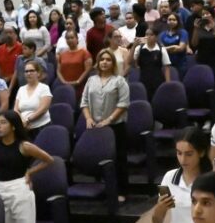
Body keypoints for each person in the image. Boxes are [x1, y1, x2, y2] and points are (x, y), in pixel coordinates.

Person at [80, 49, 131, 197]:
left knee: (118, 160)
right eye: (102, 59)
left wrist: (109, 120)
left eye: (108, 60)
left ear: (113, 63)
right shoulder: (91, 80)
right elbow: (84, 103)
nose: (104, 62)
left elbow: (123, 104)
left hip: (115, 126)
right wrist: (88, 118)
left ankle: (122, 191)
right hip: (96, 127)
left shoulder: (119, 80)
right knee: (101, 160)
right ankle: (106, 190)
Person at [153, 127, 210, 223]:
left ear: (201, 153)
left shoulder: (212, 181)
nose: (183, 160)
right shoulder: (169, 177)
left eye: (189, 154)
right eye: (179, 153)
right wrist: (160, 208)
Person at [14, 61, 52, 139]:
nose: (28, 73)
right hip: (23, 127)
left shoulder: (44, 88)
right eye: (26, 71)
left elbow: (43, 109)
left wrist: (28, 120)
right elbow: (16, 109)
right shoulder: (21, 89)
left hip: (41, 128)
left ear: (38, 73)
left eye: (31, 71)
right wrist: (21, 121)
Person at [133, 28, 172, 100]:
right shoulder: (139, 48)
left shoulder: (161, 50)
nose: (148, 36)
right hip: (144, 79)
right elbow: (134, 62)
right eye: (146, 34)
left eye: (151, 35)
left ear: (156, 37)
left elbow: (167, 67)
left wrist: (167, 83)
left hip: (158, 80)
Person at [57, 30, 92, 103]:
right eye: (68, 38)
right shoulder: (63, 54)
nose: (70, 40)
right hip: (66, 87)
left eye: (72, 38)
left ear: (77, 39)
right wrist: (63, 82)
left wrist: (78, 81)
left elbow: (88, 69)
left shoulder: (84, 53)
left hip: (80, 87)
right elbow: (58, 70)